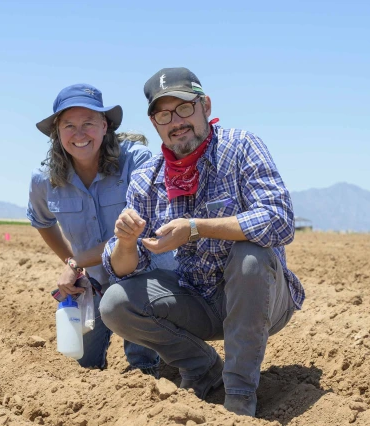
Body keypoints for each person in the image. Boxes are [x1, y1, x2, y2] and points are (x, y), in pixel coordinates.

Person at [99, 68, 305, 417]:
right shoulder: (147, 180)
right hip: (198, 300)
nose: (175, 121)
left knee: (250, 255)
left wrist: (197, 228)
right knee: (115, 304)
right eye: (163, 114)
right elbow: (121, 268)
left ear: (205, 106)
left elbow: (279, 220)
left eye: (183, 108)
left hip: (261, 299)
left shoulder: (240, 147)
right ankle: (204, 367)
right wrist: (125, 241)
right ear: (154, 124)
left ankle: (239, 397)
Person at [27, 83, 175, 376]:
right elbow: (42, 222)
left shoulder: (137, 161)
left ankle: (151, 371)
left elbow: (139, 232)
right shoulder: (44, 180)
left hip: (145, 276)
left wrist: (76, 262)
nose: (79, 134)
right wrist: (75, 266)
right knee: (82, 366)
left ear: (105, 125)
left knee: (142, 370)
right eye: (69, 125)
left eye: (88, 124)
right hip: (96, 282)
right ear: (57, 131)